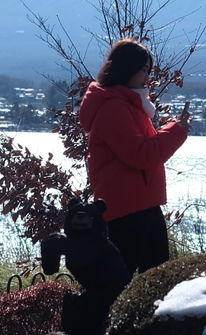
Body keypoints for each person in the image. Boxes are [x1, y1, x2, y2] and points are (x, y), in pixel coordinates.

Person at [77, 38, 190, 274]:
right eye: (143, 70)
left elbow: (145, 152)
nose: (146, 77)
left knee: (154, 280)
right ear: (127, 69)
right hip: (128, 208)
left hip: (141, 204)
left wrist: (174, 130)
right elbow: (141, 155)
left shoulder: (127, 104)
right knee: (131, 283)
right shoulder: (114, 108)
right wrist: (176, 131)